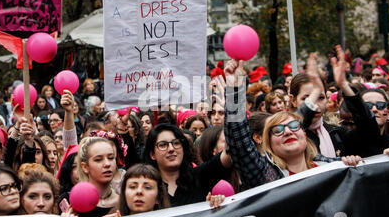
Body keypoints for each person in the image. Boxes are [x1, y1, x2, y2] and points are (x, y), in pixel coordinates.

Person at [223, 59, 363, 189]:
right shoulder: (268, 176)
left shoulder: (330, 166)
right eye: (278, 130)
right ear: (269, 142)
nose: (288, 132)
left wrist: (354, 164)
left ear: (304, 133)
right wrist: (234, 89)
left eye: (294, 126)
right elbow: (239, 143)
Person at [143, 123, 232, 207]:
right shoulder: (145, 188)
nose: (171, 149)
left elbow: (230, 153)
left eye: (176, 143)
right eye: (162, 145)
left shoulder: (199, 176)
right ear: (152, 154)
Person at [60, 136, 120, 217]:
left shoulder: (124, 202)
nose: (107, 164)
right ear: (85, 167)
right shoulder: (68, 201)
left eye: (111, 158)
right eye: (98, 160)